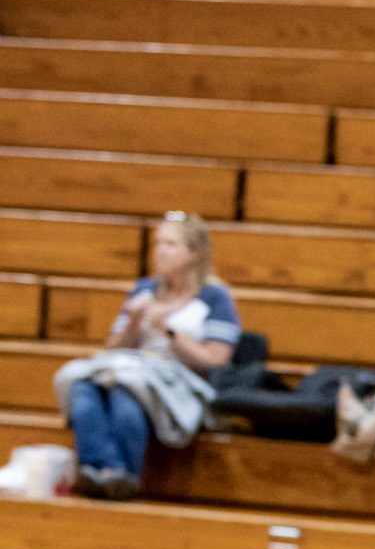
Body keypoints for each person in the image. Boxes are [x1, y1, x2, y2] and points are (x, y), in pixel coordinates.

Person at [56, 212, 239, 500]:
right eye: (157, 243)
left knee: (125, 396)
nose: (160, 251)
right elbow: (113, 349)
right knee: (83, 388)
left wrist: (169, 332)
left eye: (170, 244)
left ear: (194, 253)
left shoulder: (215, 297)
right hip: (130, 370)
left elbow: (217, 359)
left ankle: (120, 475)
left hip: (177, 382)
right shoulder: (144, 290)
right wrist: (133, 322)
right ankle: (106, 471)